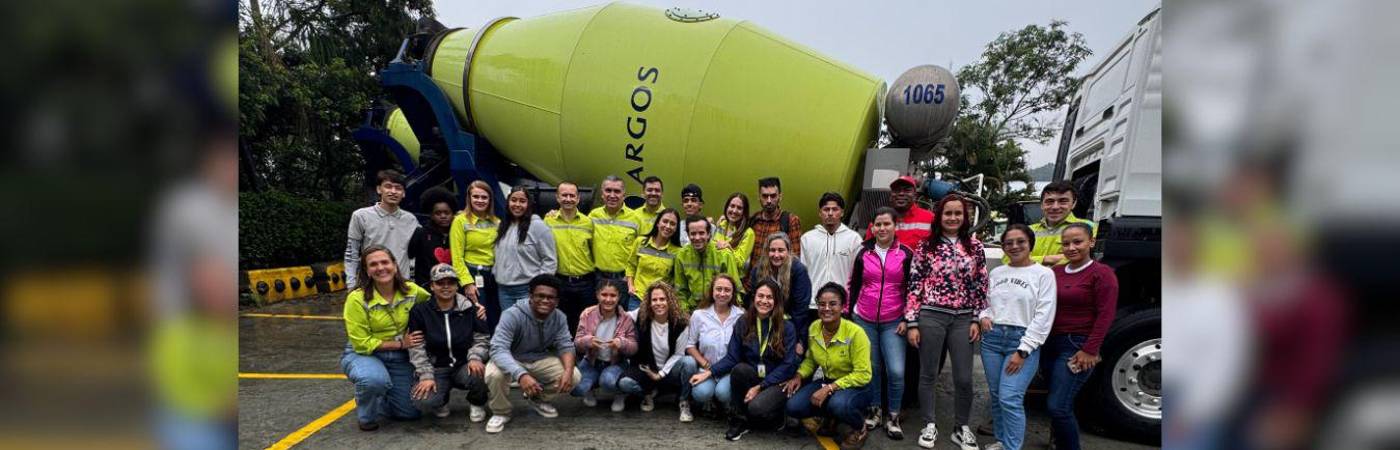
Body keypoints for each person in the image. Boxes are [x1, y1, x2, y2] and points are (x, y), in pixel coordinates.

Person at [905, 193, 988, 450]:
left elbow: (980, 285)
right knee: (928, 374)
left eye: (957, 213)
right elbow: (915, 284)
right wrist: (912, 322)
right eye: (947, 213)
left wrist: (976, 317)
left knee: (964, 378)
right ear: (939, 217)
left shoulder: (975, 247)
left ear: (965, 217)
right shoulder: (925, 246)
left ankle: (961, 427)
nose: (952, 218)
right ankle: (929, 424)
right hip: (931, 315)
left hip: (963, 319)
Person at [978, 224, 1057, 450]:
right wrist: (984, 316)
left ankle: (1012, 447)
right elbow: (987, 304)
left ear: (1030, 243)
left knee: (1010, 398)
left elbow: (1044, 315)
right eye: (1008, 242)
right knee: (996, 395)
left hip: (1021, 341)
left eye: (1020, 241)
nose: (1014, 246)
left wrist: (1023, 350)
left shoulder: (1043, 274)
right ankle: (1002, 441)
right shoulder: (997, 272)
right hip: (992, 340)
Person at [1041, 223, 1118, 450]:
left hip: (1076, 345)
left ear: (1091, 242)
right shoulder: (1054, 273)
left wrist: (1090, 350)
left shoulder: (1102, 274)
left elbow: (1106, 315)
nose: (1071, 247)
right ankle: (1059, 442)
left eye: (1078, 242)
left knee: (1058, 406)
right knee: (1058, 400)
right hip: (1049, 344)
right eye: (1066, 243)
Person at [340, 245, 431, 431]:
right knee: (373, 380)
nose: (380, 268)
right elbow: (361, 343)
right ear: (366, 271)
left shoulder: (411, 291)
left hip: (399, 358)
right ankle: (366, 412)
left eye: (385, 262)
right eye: (373, 264)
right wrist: (400, 344)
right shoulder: (356, 299)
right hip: (365, 354)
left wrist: (471, 308)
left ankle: (382, 395)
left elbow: (438, 302)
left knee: (409, 413)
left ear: (395, 265)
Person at [847, 207, 915, 439]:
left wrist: (908, 318)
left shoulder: (906, 253)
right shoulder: (863, 252)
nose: (882, 228)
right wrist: (850, 313)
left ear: (895, 226)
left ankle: (893, 416)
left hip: (894, 321)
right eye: (878, 224)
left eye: (887, 224)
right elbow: (853, 284)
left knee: (896, 371)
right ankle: (875, 411)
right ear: (872, 227)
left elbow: (913, 290)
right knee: (872, 369)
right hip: (864, 318)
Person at [484, 275, 582, 433]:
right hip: (511, 358)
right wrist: (521, 375)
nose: (545, 300)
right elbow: (498, 348)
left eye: (550, 297)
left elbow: (566, 345)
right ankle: (500, 412)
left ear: (556, 301)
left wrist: (569, 371)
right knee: (494, 375)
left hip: (539, 359)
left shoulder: (559, 317)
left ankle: (537, 399)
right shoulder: (512, 315)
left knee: (575, 376)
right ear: (530, 297)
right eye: (540, 296)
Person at [782, 283, 874, 450]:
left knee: (838, 404)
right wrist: (799, 376)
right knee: (793, 406)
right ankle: (832, 418)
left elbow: (863, 374)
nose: (826, 308)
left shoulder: (856, 333)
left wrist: (829, 388)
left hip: (857, 386)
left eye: (833, 304)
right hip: (829, 381)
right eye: (822, 304)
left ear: (843, 307)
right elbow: (811, 360)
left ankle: (860, 427)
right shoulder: (814, 328)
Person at [708, 279, 799, 441]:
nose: (764, 301)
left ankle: (777, 415)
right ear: (754, 298)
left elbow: (788, 365)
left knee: (757, 409)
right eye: (760, 296)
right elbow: (732, 357)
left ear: (776, 301)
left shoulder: (787, 326)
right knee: (739, 369)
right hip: (755, 375)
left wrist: (760, 387)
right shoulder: (743, 322)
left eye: (769, 297)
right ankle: (740, 419)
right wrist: (708, 372)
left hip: (777, 381)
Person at [407, 264, 492, 422]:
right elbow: (416, 347)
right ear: (432, 286)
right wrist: (425, 375)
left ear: (457, 285)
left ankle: (477, 402)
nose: (446, 287)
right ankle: (441, 399)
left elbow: (482, 338)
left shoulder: (471, 309)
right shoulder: (419, 311)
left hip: (464, 365)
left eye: (451, 282)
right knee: (421, 401)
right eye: (440, 283)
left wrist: (475, 357)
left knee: (484, 373)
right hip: (436, 367)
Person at [619, 281, 698, 421]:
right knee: (624, 383)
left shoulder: (681, 323)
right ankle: (647, 394)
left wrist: (660, 374)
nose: (658, 303)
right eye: (654, 300)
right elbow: (620, 313)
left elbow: (679, 354)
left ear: (670, 300)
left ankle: (684, 402)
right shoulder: (641, 315)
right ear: (649, 302)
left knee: (689, 362)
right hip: (646, 369)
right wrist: (594, 308)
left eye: (662, 299)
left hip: (669, 370)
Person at [571, 279, 639, 412]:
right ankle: (589, 389)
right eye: (604, 295)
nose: (608, 299)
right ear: (597, 295)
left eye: (613, 295)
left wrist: (621, 343)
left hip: (616, 363)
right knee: (576, 389)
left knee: (607, 381)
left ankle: (620, 394)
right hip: (591, 361)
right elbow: (577, 343)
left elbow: (634, 347)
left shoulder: (626, 318)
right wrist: (588, 341)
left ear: (619, 297)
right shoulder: (587, 315)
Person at [493, 186, 559, 320]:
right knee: (512, 330)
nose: (517, 204)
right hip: (504, 290)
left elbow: (550, 260)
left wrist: (539, 288)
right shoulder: (503, 226)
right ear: (508, 202)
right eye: (514, 200)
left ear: (528, 204)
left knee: (530, 331)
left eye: (522, 201)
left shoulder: (538, 227)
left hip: (526, 290)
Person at [345, 170, 420, 286]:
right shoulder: (361, 216)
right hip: (370, 285)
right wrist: (351, 284)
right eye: (388, 187)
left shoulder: (411, 220)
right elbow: (351, 253)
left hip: (402, 285)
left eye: (398, 188)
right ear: (379, 189)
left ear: (404, 193)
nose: (393, 191)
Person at [684, 274, 745, 416]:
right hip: (707, 368)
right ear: (712, 291)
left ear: (733, 293)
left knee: (723, 393)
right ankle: (709, 400)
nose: (722, 293)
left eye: (727, 290)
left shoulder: (741, 316)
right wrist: (705, 364)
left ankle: (724, 402)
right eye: (719, 289)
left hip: (729, 370)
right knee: (701, 393)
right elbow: (690, 345)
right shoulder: (699, 315)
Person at [546, 181, 598, 334]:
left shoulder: (588, 223)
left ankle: (584, 354)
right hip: (561, 281)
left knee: (587, 322)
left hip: (586, 282)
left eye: (572, 195)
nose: (568, 199)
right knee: (563, 322)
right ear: (557, 198)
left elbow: (595, 250)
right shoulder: (548, 221)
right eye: (564, 195)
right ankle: (567, 353)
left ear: (578, 198)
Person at [748, 233, 813, 353]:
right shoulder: (758, 269)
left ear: (788, 251)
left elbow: (800, 309)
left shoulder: (798, 270)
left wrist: (796, 338)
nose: (776, 255)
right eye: (772, 250)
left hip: (791, 323)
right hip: (764, 320)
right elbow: (752, 299)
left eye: (781, 250)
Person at [450, 180, 502, 326]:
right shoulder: (460, 221)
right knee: (479, 317)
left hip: (494, 276)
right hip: (473, 275)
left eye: (484, 197)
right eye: (476, 197)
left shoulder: (496, 222)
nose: (480, 200)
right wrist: (467, 283)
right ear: (469, 198)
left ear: (490, 200)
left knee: (494, 316)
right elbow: (457, 257)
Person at [800, 192, 862, 314]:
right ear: (820, 213)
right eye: (826, 209)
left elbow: (857, 274)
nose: (830, 213)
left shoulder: (854, 239)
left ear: (842, 212)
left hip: (842, 305)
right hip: (813, 304)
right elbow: (802, 273)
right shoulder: (807, 238)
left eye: (835, 209)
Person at [672, 216, 743, 313]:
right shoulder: (681, 255)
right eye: (693, 234)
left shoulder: (724, 255)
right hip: (693, 311)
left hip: (720, 310)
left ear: (709, 234)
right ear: (688, 235)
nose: (697, 238)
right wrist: (685, 313)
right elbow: (680, 291)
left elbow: (736, 289)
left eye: (701, 233)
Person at [1020, 181, 1097, 266]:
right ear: (1041, 205)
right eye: (1050, 201)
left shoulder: (1089, 227)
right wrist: (1048, 259)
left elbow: (1085, 257)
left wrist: (1029, 260)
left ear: (1073, 204)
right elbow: (1008, 259)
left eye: (1063, 201)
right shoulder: (1027, 231)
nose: (1055, 207)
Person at [626, 208, 682, 311]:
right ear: (658, 223)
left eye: (673, 224)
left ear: (676, 229)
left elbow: (676, 279)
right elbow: (631, 265)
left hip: (660, 301)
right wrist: (631, 286)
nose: (668, 226)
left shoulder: (678, 252)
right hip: (637, 298)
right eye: (665, 221)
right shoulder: (640, 242)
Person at [590, 175, 641, 286]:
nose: (612, 195)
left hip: (624, 280)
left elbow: (642, 251)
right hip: (598, 278)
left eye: (617, 191)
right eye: (608, 190)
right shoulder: (593, 216)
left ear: (624, 195)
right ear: (602, 194)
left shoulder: (636, 219)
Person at [408, 187, 458, 287]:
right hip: (426, 285)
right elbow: (410, 254)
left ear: (453, 214)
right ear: (431, 215)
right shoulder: (421, 233)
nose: (443, 216)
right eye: (438, 213)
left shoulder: (458, 233)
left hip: (452, 286)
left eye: (447, 213)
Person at [747, 177, 802, 268]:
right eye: (765, 196)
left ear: (780, 197)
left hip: (777, 280)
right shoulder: (754, 220)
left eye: (773, 196)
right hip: (753, 279)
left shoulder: (790, 220)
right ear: (759, 197)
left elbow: (794, 258)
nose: (769, 201)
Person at [866, 175, 935, 249]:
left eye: (907, 190)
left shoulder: (930, 218)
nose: (901, 193)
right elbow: (867, 252)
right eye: (897, 190)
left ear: (915, 195)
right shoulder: (878, 221)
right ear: (891, 196)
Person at [714, 193, 757, 272]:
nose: (734, 211)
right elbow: (714, 248)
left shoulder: (748, 233)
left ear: (744, 212)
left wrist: (729, 249)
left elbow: (740, 263)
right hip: (717, 274)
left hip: (734, 278)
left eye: (739, 208)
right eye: (732, 206)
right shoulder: (722, 224)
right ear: (727, 207)